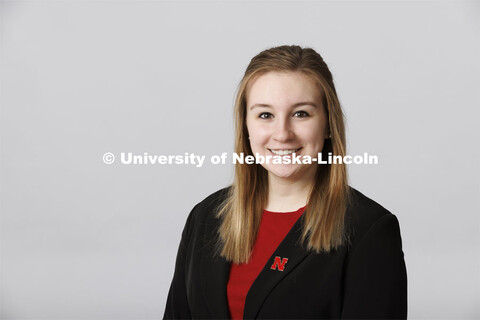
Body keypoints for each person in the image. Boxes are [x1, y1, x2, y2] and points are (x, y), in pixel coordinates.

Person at [163, 45, 407, 319]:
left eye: (301, 113)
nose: (282, 134)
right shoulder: (204, 218)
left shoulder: (369, 231)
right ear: (246, 126)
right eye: (265, 115)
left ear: (328, 124)